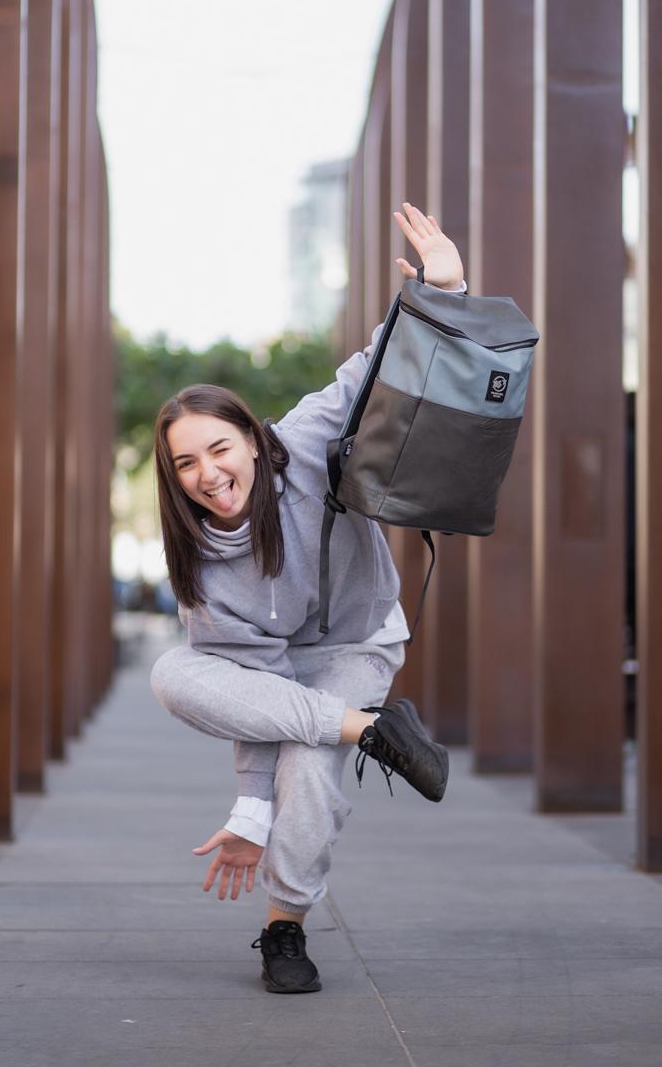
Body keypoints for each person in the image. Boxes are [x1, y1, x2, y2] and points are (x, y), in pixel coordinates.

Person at [150, 203, 465, 994]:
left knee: (311, 763)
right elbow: (253, 694)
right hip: (294, 682)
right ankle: (369, 730)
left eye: (219, 448)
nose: (208, 473)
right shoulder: (199, 566)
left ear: (252, 439)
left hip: (357, 643)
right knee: (175, 674)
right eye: (186, 464)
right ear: (172, 477)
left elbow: (371, 367)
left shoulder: (305, 441)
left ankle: (284, 925)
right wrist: (251, 806)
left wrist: (444, 292)